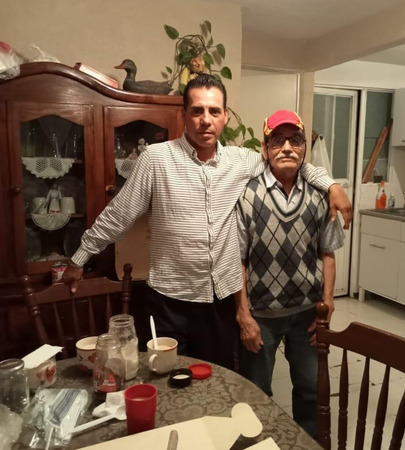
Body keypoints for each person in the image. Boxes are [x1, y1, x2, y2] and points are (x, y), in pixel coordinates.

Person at [62, 74, 351, 370]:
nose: (205, 120)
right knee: (167, 376)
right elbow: (119, 214)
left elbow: (288, 161)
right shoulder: (156, 159)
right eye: (197, 111)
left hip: (219, 301)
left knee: (216, 379)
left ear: (225, 116)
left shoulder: (243, 161)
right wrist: (80, 257)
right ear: (184, 115)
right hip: (169, 298)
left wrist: (331, 185)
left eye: (214, 111)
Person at [234, 110, 344, 436]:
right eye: (277, 140)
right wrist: (243, 314)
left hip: (307, 314)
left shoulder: (321, 195)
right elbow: (238, 260)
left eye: (295, 140)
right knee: (256, 394)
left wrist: (327, 305)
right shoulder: (246, 194)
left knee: (311, 391)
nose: (286, 147)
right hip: (261, 316)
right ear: (265, 147)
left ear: (304, 147)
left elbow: (327, 252)